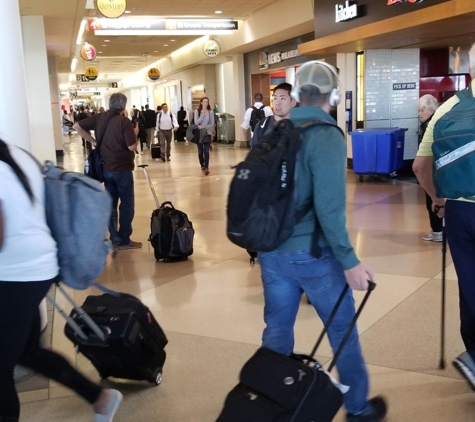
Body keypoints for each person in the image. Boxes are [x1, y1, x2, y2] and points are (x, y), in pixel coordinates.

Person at [257, 61, 387, 422]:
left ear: (297, 95)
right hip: (312, 254)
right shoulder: (326, 134)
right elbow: (329, 209)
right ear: (332, 95)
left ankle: (270, 399)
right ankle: (359, 408)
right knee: (342, 330)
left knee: (278, 330)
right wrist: (349, 261)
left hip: (271, 251)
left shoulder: (275, 131)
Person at [0, 139, 123, 422]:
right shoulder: (18, 153)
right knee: (27, 351)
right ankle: (99, 398)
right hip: (39, 266)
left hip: (15, 277)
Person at [413, 42, 475, 391]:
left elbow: (420, 165)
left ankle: (473, 359)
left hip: (460, 213)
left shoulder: (448, 107)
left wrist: (439, 200)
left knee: (470, 289)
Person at [74, 93, 142, 250]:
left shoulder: (99, 117)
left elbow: (77, 126)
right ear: (123, 106)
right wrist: (136, 133)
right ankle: (124, 239)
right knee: (126, 204)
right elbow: (131, 146)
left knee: (111, 203)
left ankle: (114, 238)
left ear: (110, 104)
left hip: (105, 169)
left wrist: (92, 141)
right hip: (122, 168)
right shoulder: (124, 122)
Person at [416, 94, 442, 242]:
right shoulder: (438, 122)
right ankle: (437, 229)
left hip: (432, 170)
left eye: (422, 110)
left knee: (433, 200)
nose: (420, 114)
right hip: (435, 170)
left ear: (430, 110)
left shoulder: (430, 126)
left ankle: (438, 230)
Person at [250, 82, 296, 148]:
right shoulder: (262, 125)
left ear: (293, 102)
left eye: (282, 98)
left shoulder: (298, 126)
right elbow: (254, 154)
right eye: (275, 98)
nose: (277, 103)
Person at [193, 97, 215, 175]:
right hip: (199, 135)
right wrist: (201, 116)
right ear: (201, 103)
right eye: (204, 102)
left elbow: (212, 123)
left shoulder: (210, 112)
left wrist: (204, 126)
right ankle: (202, 165)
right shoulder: (197, 111)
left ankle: (206, 167)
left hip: (207, 133)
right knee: (200, 152)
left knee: (206, 151)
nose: (205, 103)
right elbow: (196, 123)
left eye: (207, 102)